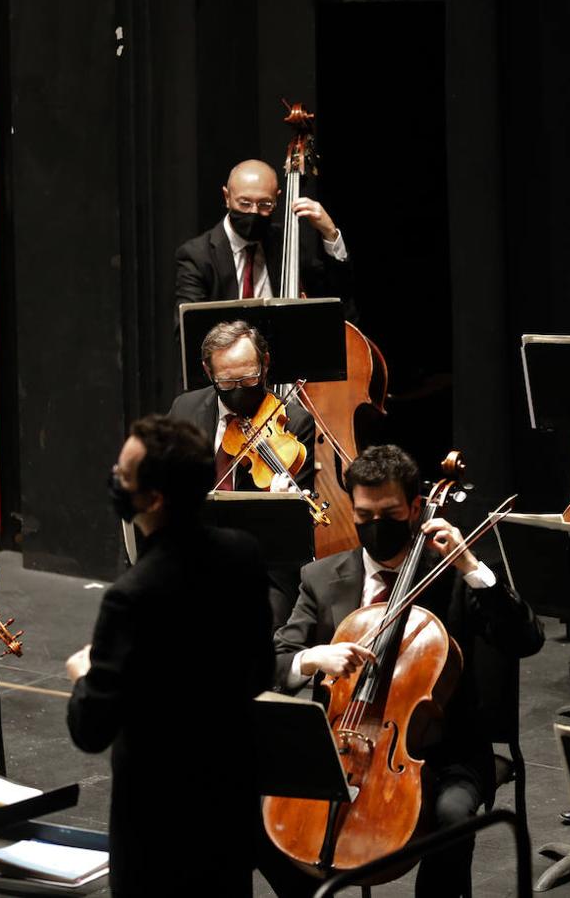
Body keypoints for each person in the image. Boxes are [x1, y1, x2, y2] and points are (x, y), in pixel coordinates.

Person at [266, 445, 543, 897]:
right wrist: (315, 658)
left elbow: (525, 639)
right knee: (258, 817)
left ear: (416, 508)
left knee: (453, 817)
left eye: (389, 512)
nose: (376, 524)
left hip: (441, 752)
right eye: (363, 514)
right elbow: (276, 661)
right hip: (339, 745)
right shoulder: (321, 578)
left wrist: (470, 565)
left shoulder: (451, 576)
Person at [67, 415, 274, 897]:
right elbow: (260, 671)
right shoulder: (243, 553)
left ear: (154, 499)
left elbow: (91, 730)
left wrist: (85, 675)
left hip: (156, 830)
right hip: (227, 807)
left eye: (123, 476)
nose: (115, 481)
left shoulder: (131, 596)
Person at [168, 320, 315, 626]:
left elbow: (294, 538)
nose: (239, 392)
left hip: (262, 568)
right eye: (226, 383)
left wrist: (281, 507)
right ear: (209, 373)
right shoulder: (185, 409)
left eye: (249, 379)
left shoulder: (293, 423)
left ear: (265, 365)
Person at [175, 158, 355, 314]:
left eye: (264, 204)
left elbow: (337, 296)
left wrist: (330, 232)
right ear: (227, 197)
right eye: (244, 203)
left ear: (277, 199)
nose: (253, 212)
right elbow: (189, 330)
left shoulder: (286, 245)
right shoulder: (197, 256)